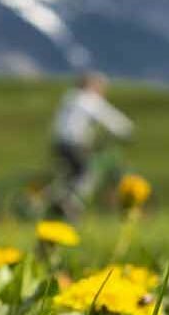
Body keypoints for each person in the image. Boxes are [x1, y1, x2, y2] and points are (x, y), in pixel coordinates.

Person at [47, 72, 132, 218]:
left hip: (59, 142)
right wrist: (127, 129)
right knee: (87, 173)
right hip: (73, 143)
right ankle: (69, 203)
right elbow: (108, 116)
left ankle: (61, 200)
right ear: (92, 85)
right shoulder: (88, 100)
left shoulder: (71, 96)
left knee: (71, 175)